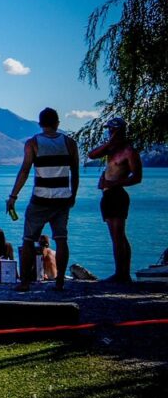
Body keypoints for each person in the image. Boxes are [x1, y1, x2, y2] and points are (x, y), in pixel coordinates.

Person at [6, 107, 79, 291]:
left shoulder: (33, 143)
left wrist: (13, 196)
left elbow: (24, 171)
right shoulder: (70, 143)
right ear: (57, 123)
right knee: (61, 239)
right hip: (62, 199)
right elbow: (75, 173)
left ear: (40, 124)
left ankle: (25, 283)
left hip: (40, 199)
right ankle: (60, 281)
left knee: (28, 240)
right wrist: (73, 195)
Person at [87, 117, 143, 282]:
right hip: (107, 195)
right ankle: (122, 272)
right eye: (109, 130)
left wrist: (114, 183)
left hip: (118, 194)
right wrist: (109, 142)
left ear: (117, 130)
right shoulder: (111, 150)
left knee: (119, 235)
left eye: (111, 130)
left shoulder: (129, 151)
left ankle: (122, 273)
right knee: (116, 236)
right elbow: (92, 154)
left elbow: (137, 177)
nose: (109, 132)